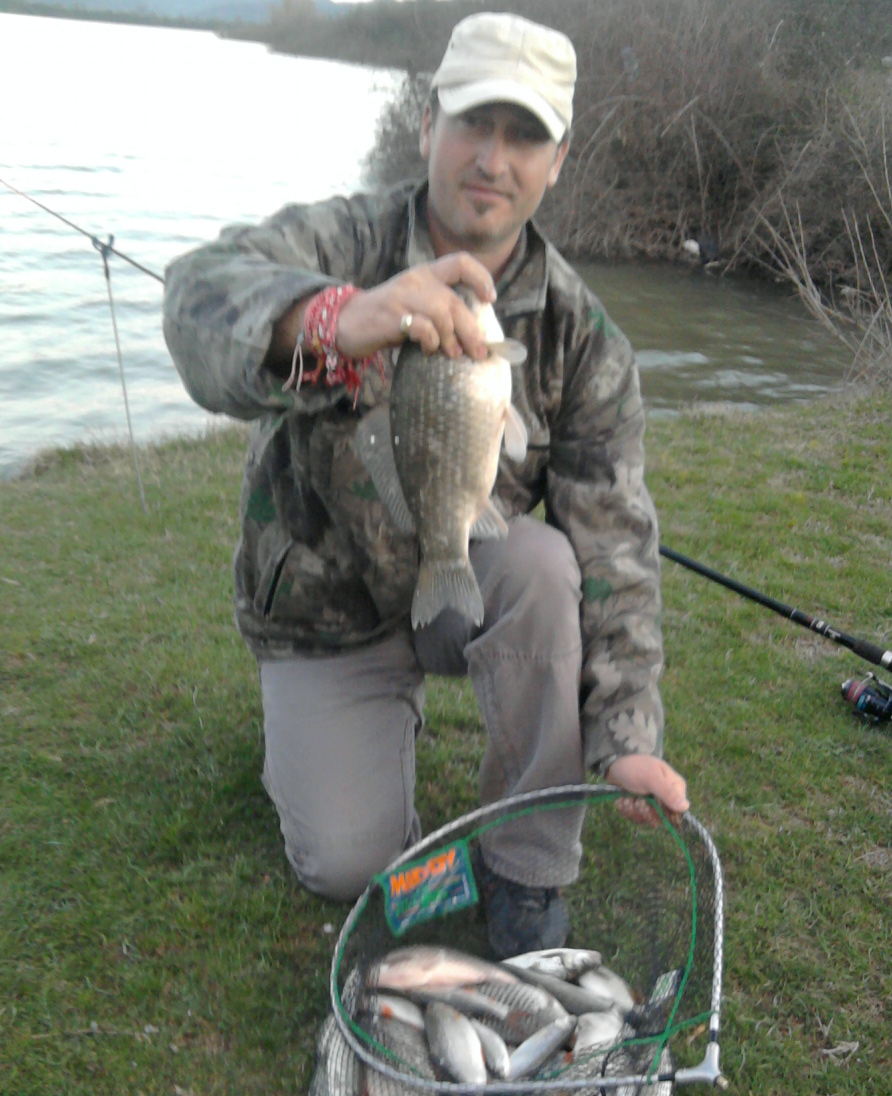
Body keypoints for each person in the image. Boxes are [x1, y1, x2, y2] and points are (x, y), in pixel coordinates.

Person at [162, 11, 688, 958]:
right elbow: (194, 292)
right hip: (326, 616)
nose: (492, 158)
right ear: (427, 125)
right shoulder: (342, 240)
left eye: (523, 135)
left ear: (558, 160)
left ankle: (527, 867)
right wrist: (334, 318)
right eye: (473, 122)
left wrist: (628, 735)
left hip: (462, 582)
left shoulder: (582, 335)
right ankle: (323, 747)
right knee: (346, 863)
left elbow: (616, 541)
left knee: (545, 564)